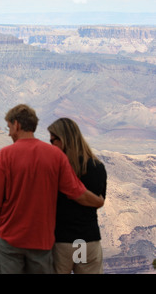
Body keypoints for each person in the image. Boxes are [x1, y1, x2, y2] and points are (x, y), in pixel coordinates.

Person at [0, 104, 104, 274]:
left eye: (9, 127)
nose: (9, 133)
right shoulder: (56, 156)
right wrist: (98, 201)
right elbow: (77, 192)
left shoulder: (5, 155)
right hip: (43, 241)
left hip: (11, 239)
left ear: (16, 124)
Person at [48, 117, 107, 274]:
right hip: (87, 241)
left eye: (54, 140)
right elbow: (99, 200)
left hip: (61, 243)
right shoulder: (97, 167)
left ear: (64, 140)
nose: (51, 144)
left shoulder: (54, 169)